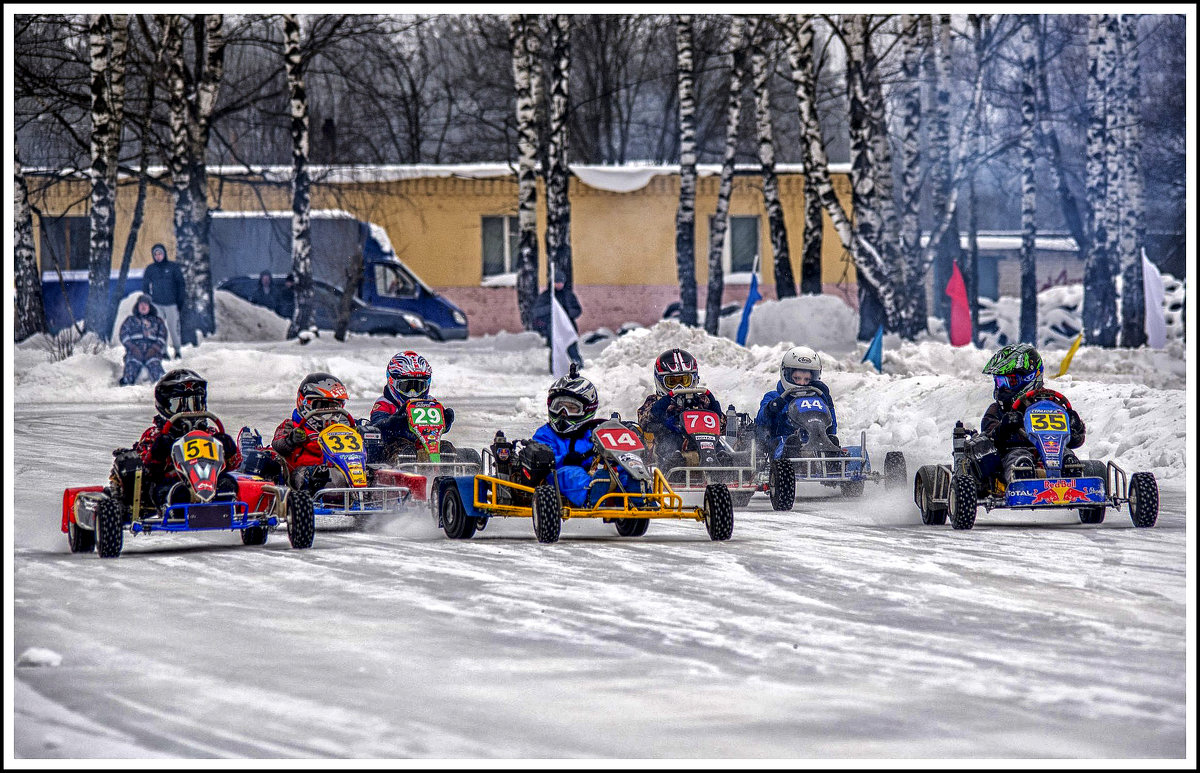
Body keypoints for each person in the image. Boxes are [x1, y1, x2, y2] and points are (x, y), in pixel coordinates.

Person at [133, 369, 241, 507]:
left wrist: (230, 451)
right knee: (173, 491)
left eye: (194, 403)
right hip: (171, 481)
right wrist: (157, 455)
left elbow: (235, 465)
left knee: (227, 482)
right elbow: (143, 473)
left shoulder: (210, 433)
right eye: (178, 405)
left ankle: (222, 502)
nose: (189, 412)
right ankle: (178, 504)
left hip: (208, 480)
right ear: (165, 407)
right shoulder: (155, 435)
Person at [979, 343, 1086, 483]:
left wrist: (1075, 427)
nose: (1002, 388)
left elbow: (1075, 441)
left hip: (1054, 451)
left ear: (1029, 378)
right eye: (1000, 382)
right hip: (1014, 453)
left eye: (1008, 381)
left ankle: (1072, 472)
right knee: (1019, 458)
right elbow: (989, 437)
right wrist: (1003, 428)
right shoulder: (998, 409)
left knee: (1066, 455)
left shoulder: (1054, 404)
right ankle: (1022, 475)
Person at [636, 348, 724, 467]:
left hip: (704, 442)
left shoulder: (702, 400)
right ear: (660, 381)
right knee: (670, 441)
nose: (679, 387)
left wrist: (716, 412)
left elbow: (723, 427)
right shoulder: (655, 400)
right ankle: (673, 464)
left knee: (715, 442)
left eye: (684, 381)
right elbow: (644, 421)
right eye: (673, 382)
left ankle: (722, 460)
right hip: (669, 441)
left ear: (693, 378)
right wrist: (662, 415)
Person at [271, 372, 357, 493]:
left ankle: (372, 496)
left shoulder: (344, 427)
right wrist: (291, 439)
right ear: (305, 402)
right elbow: (277, 445)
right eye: (322, 405)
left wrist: (360, 435)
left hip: (341, 469)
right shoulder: (292, 425)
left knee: (374, 471)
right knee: (320, 475)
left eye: (334, 405)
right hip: (302, 473)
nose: (329, 411)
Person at [367, 351, 455, 460]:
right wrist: (395, 422)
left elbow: (437, 429)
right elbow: (377, 428)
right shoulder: (384, 403)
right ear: (392, 381)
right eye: (407, 386)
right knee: (406, 451)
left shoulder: (431, 402)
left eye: (418, 386)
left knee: (447, 449)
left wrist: (446, 420)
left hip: (427, 446)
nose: (413, 393)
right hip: (391, 449)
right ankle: (406, 474)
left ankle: (448, 473)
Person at [755, 346, 840, 452]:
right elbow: (760, 422)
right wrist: (770, 408)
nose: (802, 383)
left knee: (832, 440)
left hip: (815, 441)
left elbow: (832, 429)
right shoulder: (773, 396)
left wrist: (828, 401)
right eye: (797, 378)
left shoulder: (818, 400)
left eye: (807, 379)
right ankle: (788, 463)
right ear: (786, 374)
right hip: (783, 442)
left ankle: (833, 460)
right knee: (788, 444)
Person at [142, 242, 186, 358]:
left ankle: (177, 350)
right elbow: (145, 285)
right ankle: (163, 351)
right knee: (160, 329)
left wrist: (180, 301)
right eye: (155, 254)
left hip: (171, 304)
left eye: (160, 253)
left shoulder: (173, 267)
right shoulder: (150, 269)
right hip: (157, 304)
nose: (158, 256)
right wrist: (148, 300)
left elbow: (181, 285)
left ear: (164, 254)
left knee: (173, 328)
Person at [118, 294, 169, 386]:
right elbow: (123, 335)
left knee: (156, 367)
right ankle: (126, 385)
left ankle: (164, 386)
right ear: (137, 306)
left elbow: (162, 336)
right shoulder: (130, 320)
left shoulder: (158, 321)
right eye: (141, 304)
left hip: (152, 352)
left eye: (146, 304)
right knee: (131, 365)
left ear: (150, 306)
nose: (143, 306)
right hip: (134, 352)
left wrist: (154, 349)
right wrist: (132, 348)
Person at [531, 279, 584, 368]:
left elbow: (577, 310)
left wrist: (567, 312)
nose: (559, 285)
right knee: (556, 348)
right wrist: (550, 308)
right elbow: (537, 311)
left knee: (571, 347)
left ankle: (578, 365)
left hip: (568, 327)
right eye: (557, 282)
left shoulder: (568, 295)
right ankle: (555, 368)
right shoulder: (545, 296)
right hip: (552, 327)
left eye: (561, 282)